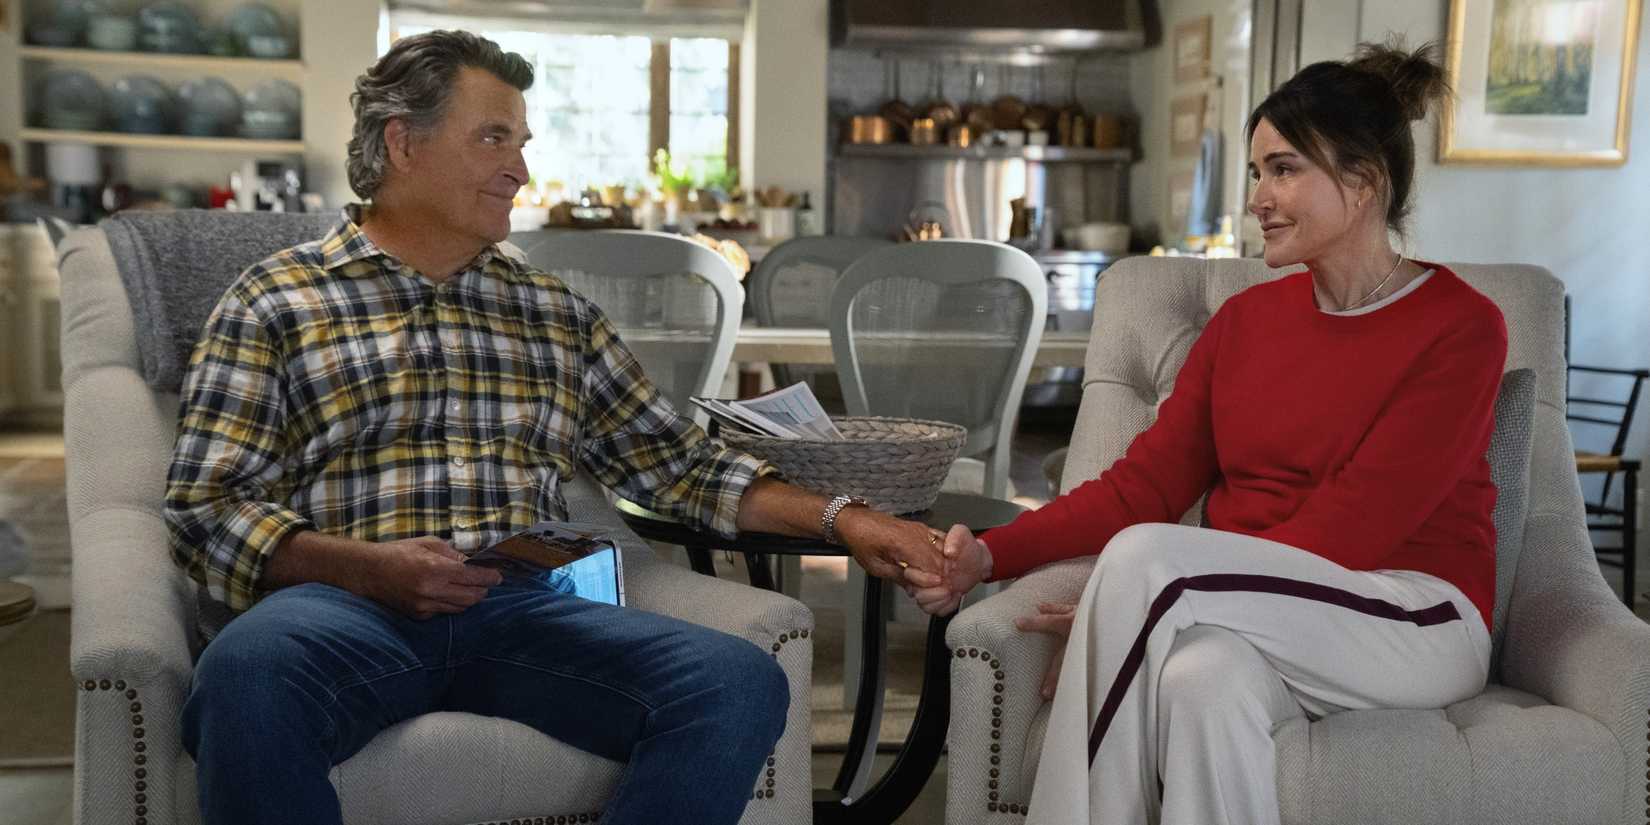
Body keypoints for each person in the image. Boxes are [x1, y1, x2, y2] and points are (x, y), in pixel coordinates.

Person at [164, 30, 944, 825]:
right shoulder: (276, 300)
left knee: (735, 681)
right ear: (403, 144)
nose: (521, 169)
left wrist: (848, 518)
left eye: (522, 141)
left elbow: (680, 468)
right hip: (340, 609)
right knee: (246, 675)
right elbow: (206, 509)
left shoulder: (553, 313)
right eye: (493, 138)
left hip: (518, 611)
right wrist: (366, 568)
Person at [908, 41, 1506, 825]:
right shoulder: (1245, 322)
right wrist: (990, 554)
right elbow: (1145, 485)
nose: (1259, 196)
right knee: (1199, 683)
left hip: (1410, 617)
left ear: (1363, 183)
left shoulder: (1460, 328)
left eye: (1284, 169)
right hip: (1253, 606)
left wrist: (1146, 597)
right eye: (1257, 173)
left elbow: (1356, 527)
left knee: (1147, 562)